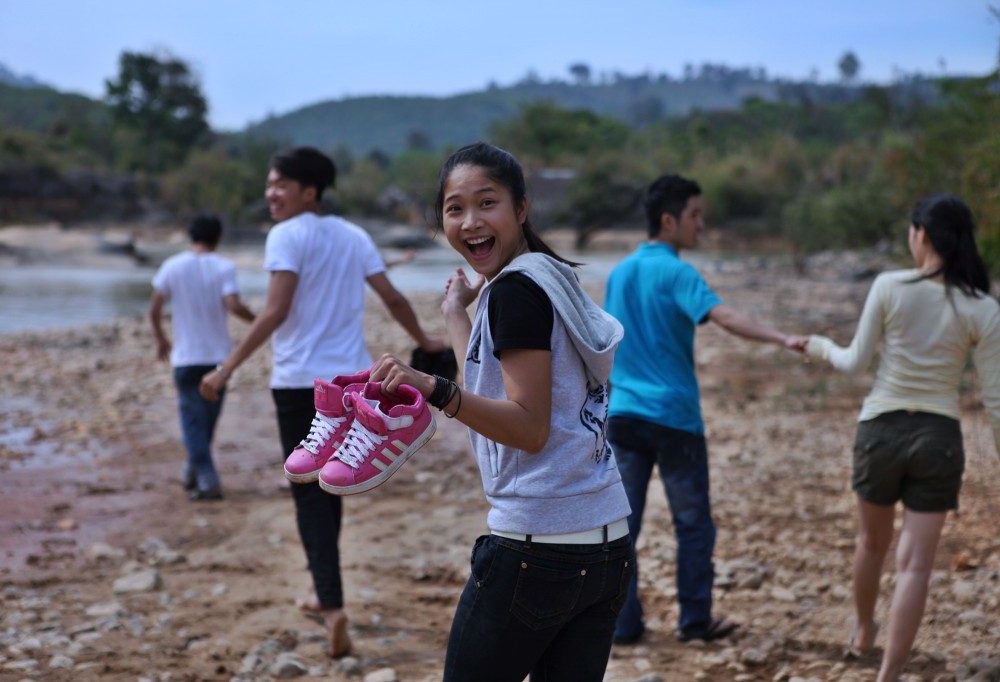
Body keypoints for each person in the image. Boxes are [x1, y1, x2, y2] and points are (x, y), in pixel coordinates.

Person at [371, 142, 634, 682]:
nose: (470, 221)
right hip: (607, 543)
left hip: (538, 552)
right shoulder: (550, 278)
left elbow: (528, 429)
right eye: (454, 208)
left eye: (486, 203)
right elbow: (491, 395)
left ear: (521, 208)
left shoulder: (515, 291)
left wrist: (432, 387)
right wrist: (453, 314)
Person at [198, 146, 446, 658]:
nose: (271, 194)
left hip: (300, 385)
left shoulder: (286, 235)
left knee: (307, 489)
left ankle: (332, 606)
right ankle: (319, 586)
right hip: (351, 383)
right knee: (330, 482)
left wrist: (226, 368)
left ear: (309, 191)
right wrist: (427, 340)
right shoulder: (353, 234)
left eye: (280, 185)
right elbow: (393, 298)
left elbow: (274, 311)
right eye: (270, 184)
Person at [803, 194, 1000, 682]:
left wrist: (816, 345)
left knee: (871, 543)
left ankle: (864, 628)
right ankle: (888, 675)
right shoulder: (983, 309)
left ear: (922, 235)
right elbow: (995, 402)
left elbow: (853, 362)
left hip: (881, 431)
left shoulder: (889, 286)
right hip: (938, 438)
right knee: (915, 567)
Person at [603, 174, 806, 644]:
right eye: (696, 215)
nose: (702, 224)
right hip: (675, 420)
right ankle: (695, 622)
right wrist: (782, 338)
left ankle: (623, 625)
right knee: (693, 526)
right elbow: (725, 316)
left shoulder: (620, 273)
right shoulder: (678, 272)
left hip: (625, 416)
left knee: (620, 527)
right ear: (669, 220)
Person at [149, 213, 255, 501]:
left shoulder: (172, 265)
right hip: (219, 360)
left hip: (185, 358)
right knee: (206, 422)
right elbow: (233, 305)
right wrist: (258, 321)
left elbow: (155, 308)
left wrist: (161, 338)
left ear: (190, 235)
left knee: (194, 424)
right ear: (218, 238)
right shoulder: (224, 267)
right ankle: (202, 477)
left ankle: (200, 476)